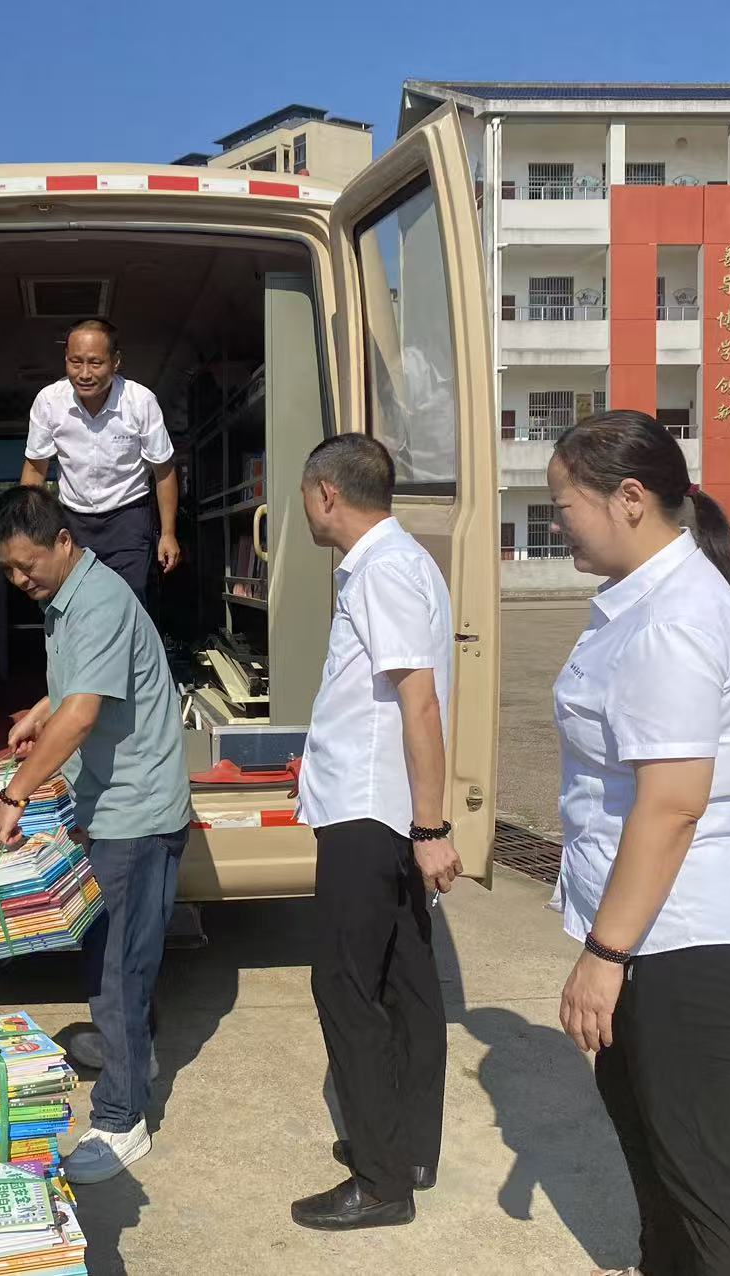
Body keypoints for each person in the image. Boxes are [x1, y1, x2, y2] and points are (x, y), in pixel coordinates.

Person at [546, 411, 730, 1276]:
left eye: (564, 505)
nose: (556, 523)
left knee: (714, 1196)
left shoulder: (674, 617)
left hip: (688, 944)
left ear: (628, 498)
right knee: (664, 1178)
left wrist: (604, 955)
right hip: (659, 936)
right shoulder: (647, 601)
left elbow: (672, 806)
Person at [0, 485, 191, 1185]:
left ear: (64, 542)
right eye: (8, 570)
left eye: (28, 564)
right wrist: (39, 712)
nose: (21, 579)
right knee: (113, 957)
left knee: (116, 972)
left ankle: (121, 1119)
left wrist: (15, 794)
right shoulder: (72, 598)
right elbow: (78, 688)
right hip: (112, 803)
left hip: (135, 812)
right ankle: (134, 1054)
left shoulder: (97, 601)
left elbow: (82, 715)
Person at [289, 433, 462, 1232]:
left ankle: (381, 1180)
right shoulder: (403, 562)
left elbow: (418, 701)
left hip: (371, 813)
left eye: (304, 494)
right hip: (382, 808)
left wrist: (431, 826)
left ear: (327, 493)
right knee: (405, 984)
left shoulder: (382, 571)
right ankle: (405, 1148)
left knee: (347, 986)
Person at [20, 318, 181, 606]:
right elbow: (35, 470)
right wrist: (28, 531)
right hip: (72, 519)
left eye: (95, 363)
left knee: (129, 601)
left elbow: (164, 471)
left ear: (116, 361)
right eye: (75, 362)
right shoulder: (49, 402)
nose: (84, 373)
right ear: (66, 359)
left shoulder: (140, 401)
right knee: (70, 602)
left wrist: (168, 533)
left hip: (128, 518)